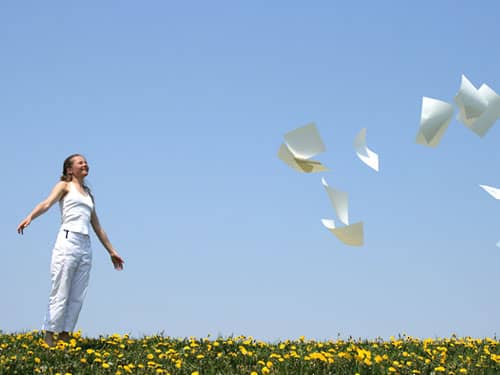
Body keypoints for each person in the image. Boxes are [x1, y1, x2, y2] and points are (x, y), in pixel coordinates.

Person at [17, 154, 124, 347]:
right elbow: (47, 203)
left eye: (85, 162)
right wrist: (30, 217)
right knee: (61, 290)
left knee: (77, 294)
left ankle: (64, 337)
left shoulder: (88, 194)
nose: (85, 164)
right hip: (68, 240)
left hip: (85, 245)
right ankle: (49, 337)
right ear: (69, 169)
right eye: (80, 162)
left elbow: (97, 225)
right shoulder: (64, 186)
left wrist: (111, 251)